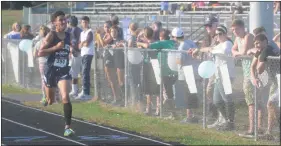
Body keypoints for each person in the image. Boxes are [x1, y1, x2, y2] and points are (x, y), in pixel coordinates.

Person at [38, 10, 75, 137]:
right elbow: (40, 53)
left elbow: (71, 48)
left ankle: (67, 128)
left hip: (63, 70)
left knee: (65, 96)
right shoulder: (51, 35)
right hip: (51, 70)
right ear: (55, 23)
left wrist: (73, 50)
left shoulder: (69, 35)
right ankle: (46, 97)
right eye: (61, 20)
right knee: (51, 100)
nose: (64, 22)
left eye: (64, 19)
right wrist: (55, 48)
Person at [194, 25, 236, 130]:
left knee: (228, 99)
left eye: (220, 34)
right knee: (217, 100)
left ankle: (230, 123)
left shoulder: (228, 43)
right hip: (218, 75)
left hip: (226, 75)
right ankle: (227, 121)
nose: (218, 36)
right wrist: (198, 50)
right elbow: (208, 49)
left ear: (225, 34)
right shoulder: (218, 45)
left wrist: (212, 50)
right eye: (216, 34)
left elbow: (224, 51)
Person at [230, 19, 263, 137]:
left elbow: (243, 51)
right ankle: (257, 128)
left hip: (253, 73)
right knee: (253, 101)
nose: (235, 32)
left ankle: (253, 129)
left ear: (243, 28)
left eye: (237, 29)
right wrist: (237, 53)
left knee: (252, 102)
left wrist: (238, 53)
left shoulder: (248, 36)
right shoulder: (237, 39)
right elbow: (233, 50)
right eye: (233, 30)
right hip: (246, 72)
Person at [139, 29, 178, 117]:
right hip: (166, 71)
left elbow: (148, 45)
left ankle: (163, 109)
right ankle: (171, 113)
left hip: (163, 70)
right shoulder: (169, 42)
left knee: (164, 93)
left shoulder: (161, 43)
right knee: (166, 93)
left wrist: (139, 43)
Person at [192, 15, 222, 123]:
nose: (207, 28)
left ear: (216, 25)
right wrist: (197, 54)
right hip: (209, 69)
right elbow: (205, 54)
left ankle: (220, 117)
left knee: (216, 94)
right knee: (208, 94)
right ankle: (213, 115)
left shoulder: (219, 36)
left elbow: (213, 49)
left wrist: (200, 49)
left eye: (210, 26)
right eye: (206, 26)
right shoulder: (207, 37)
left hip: (219, 70)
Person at [249, 34, 280, 140]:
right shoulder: (261, 50)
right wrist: (254, 78)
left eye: (258, 43)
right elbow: (252, 66)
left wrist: (259, 55)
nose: (256, 46)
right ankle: (270, 133)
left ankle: (271, 132)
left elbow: (259, 69)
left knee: (271, 104)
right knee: (272, 104)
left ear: (265, 41)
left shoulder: (267, 49)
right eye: (255, 44)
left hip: (279, 80)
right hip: (277, 82)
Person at [172, 27, 201, 123]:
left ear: (175, 37)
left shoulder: (181, 46)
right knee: (193, 94)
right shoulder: (190, 42)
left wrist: (174, 59)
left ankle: (189, 117)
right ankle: (195, 115)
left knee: (188, 95)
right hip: (194, 71)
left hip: (187, 72)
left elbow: (180, 61)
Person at [33, 25, 60, 105]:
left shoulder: (38, 43)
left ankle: (45, 97)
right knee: (54, 79)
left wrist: (37, 57)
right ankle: (56, 97)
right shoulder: (52, 42)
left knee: (44, 80)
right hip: (51, 62)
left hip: (42, 63)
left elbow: (35, 54)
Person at [137, 27, 159, 115]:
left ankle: (158, 109)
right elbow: (139, 46)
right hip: (147, 65)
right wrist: (140, 40)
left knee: (157, 88)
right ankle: (149, 108)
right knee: (147, 89)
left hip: (154, 65)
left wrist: (140, 41)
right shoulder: (144, 42)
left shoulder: (153, 42)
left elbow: (148, 45)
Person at [76, 16, 94, 100]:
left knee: (85, 72)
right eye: (83, 22)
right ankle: (84, 90)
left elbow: (86, 44)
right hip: (83, 54)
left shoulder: (90, 32)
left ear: (88, 23)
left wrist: (83, 43)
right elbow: (79, 45)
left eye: (86, 22)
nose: (84, 24)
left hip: (88, 53)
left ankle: (87, 93)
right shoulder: (82, 33)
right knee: (83, 72)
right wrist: (82, 43)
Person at [67, 16, 83, 98]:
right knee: (74, 73)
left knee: (74, 73)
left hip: (76, 54)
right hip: (78, 53)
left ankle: (75, 91)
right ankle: (75, 90)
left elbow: (74, 43)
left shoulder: (74, 30)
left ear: (70, 23)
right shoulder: (78, 30)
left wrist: (72, 50)